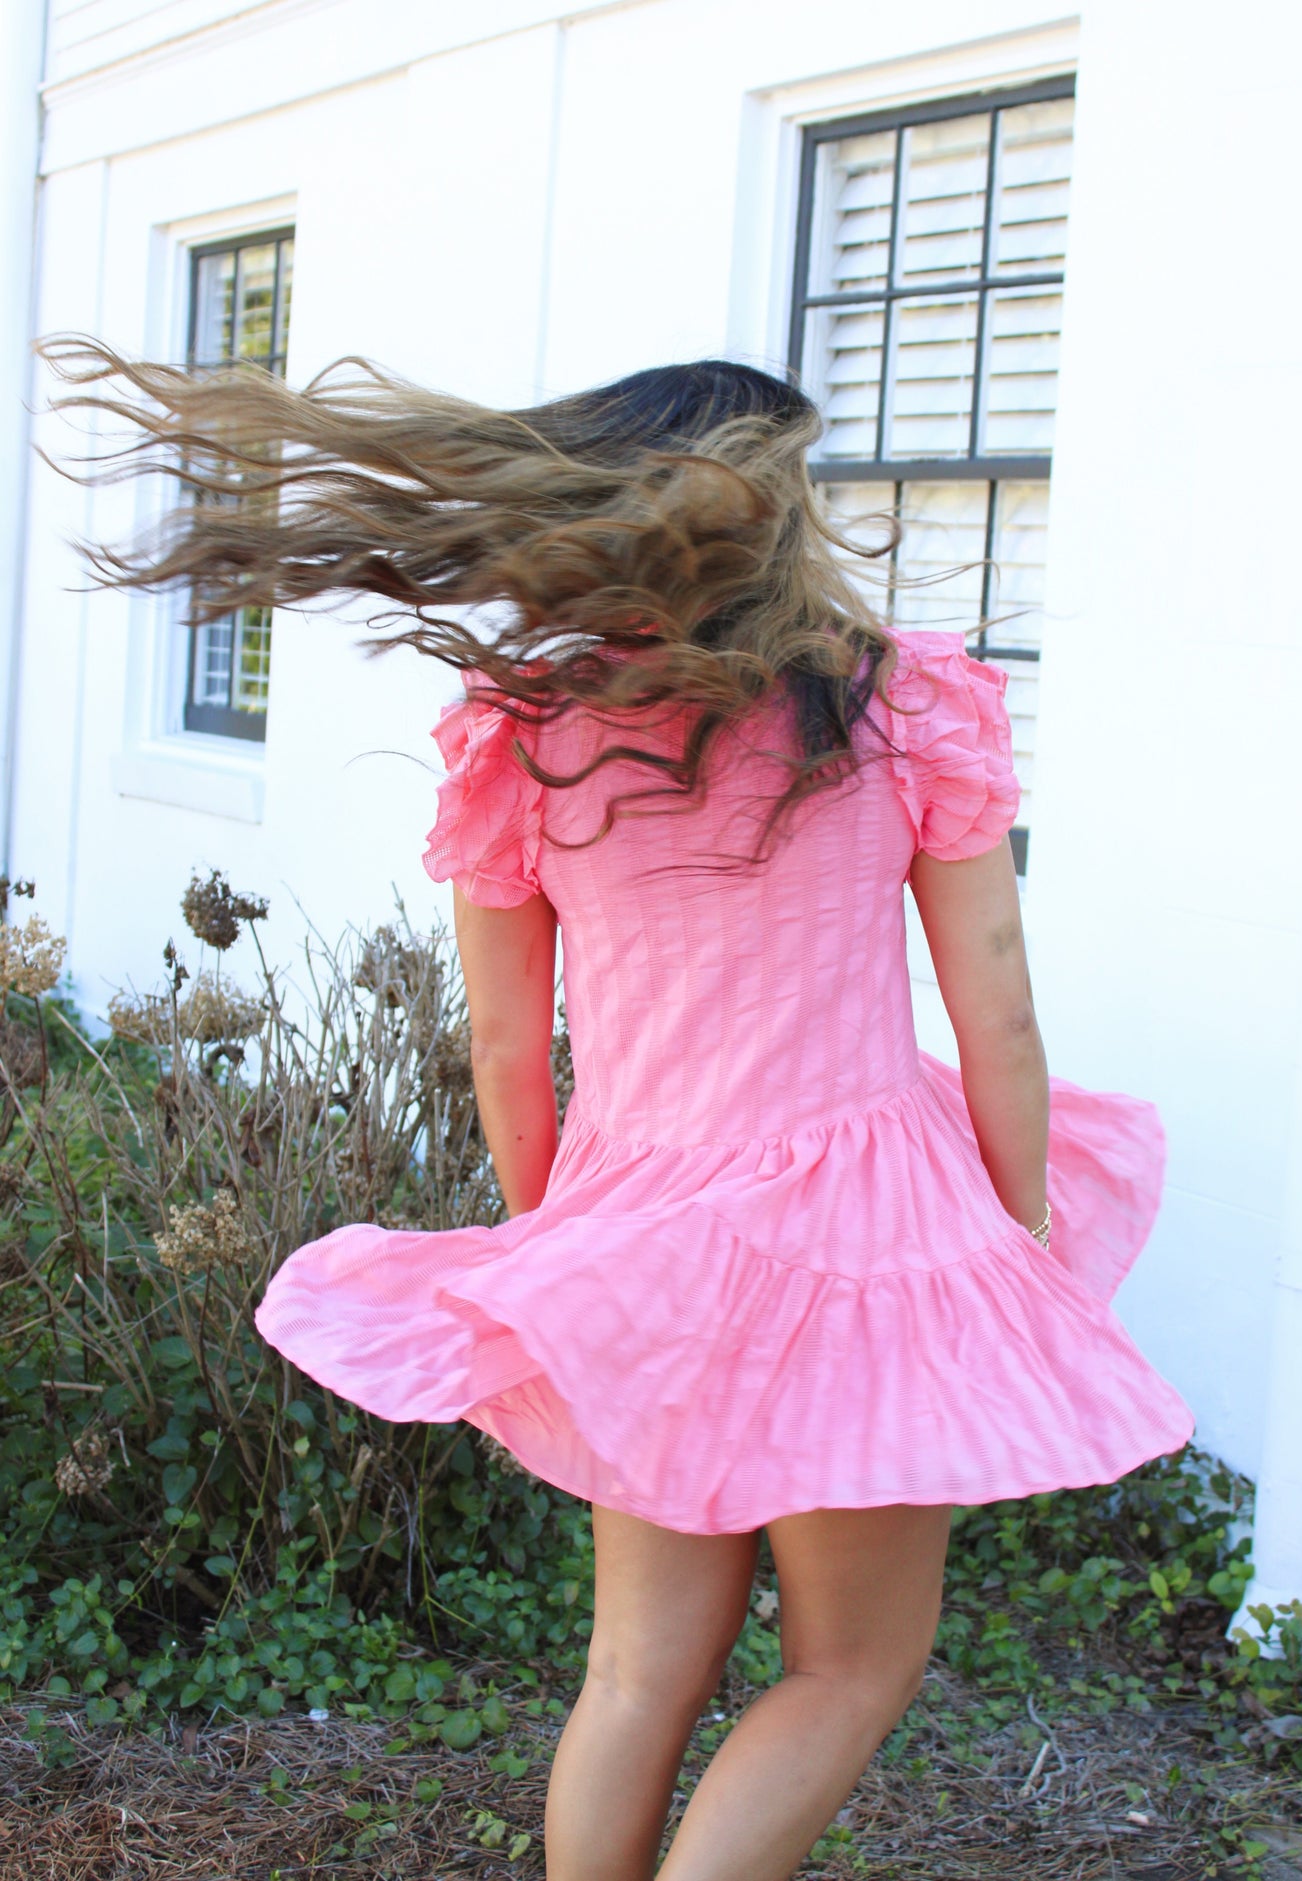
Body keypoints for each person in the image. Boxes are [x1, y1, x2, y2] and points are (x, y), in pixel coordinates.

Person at [46, 343, 1192, 1880]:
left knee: (637, 1672)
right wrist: (1019, 1243)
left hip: (640, 1227)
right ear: (780, 510)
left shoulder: (529, 729)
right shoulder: (897, 701)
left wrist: (564, 1254)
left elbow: (508, 1052)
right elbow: (1002, 1020)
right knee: (850, 1666)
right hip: (873, 1235)